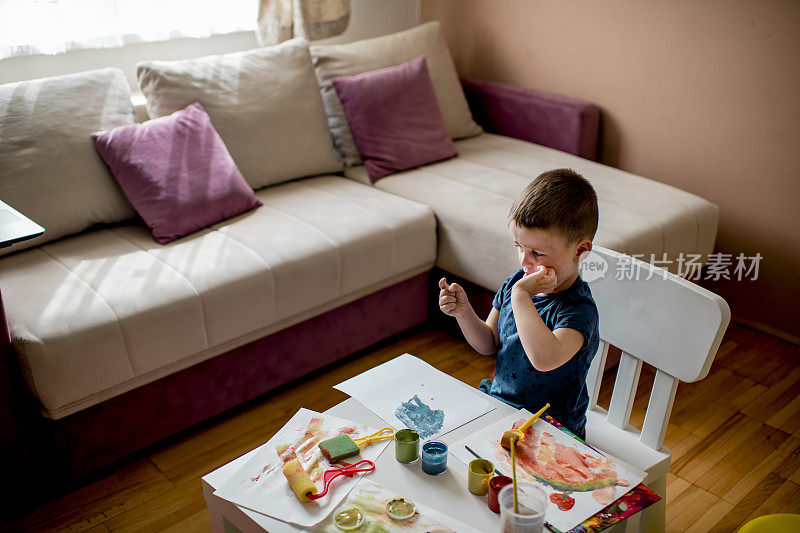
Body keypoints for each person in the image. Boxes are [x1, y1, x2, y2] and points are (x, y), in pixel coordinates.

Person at [438, 168, 600, 440]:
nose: (524, 262)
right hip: (501, 407)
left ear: (580, 250)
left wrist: (521, 296)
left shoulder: (577, 310)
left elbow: (544, 359)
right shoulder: (518, 284)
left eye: (537, 253)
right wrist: (464, 313)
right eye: (519, 246)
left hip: (553, 429)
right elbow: (489, 343)